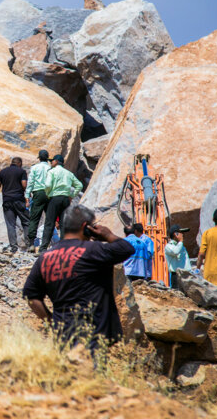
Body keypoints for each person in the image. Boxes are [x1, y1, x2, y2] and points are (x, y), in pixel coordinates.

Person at [23, 203, 135, 350]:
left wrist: (51, 322)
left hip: (64, 340)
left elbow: (30, 296)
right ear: (86, 227)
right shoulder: (93, 250)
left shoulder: (45, 258)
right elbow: (127, 249)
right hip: (94, 339)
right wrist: (107, 235)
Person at [39, 154, 83, 251]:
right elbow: (79, 185)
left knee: (49, 223)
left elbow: (47, 185)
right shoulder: (68, 173)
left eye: (52, 161)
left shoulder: (52, 172)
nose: (51, 162)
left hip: (54, 198)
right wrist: (72, 195)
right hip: (65, 199)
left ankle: (43, 248)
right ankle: (63, 248)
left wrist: (47, 193)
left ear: (56, 162)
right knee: (63, 224)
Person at [0, 157, 29, 252]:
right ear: (19, 163)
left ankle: (13, 247)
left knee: (10, 224)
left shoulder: (2, 172)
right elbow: (24, 185)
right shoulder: (21, 171)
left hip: (7, 201)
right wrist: (27, 197)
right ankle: (29, 244)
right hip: (19, 200)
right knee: (26, 222)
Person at [25, 150, 52, 251]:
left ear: (39, 158)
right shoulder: (51, 168)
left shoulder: (35, 168)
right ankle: (45, 244)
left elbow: (30, 182)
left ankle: (31, 244)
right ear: (47, 158)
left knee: (34, 218)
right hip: (49, 193)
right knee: (49, 219)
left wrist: (27, 196)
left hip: (38, 193)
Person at [165, 224, 191, 289]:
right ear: (175, 234)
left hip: (185, 274)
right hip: (176, 276)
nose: (183, 235)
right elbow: (175, 252)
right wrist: (180, 241)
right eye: (181, 233)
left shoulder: (181, 246)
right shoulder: (169, 246)